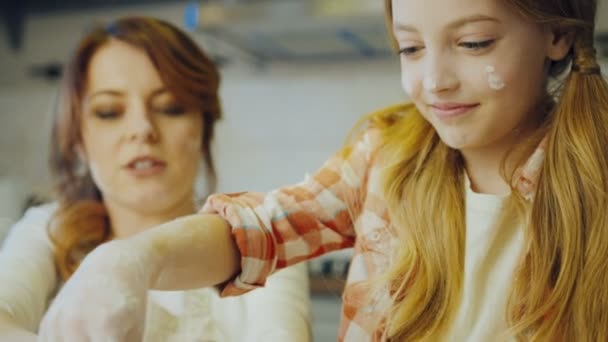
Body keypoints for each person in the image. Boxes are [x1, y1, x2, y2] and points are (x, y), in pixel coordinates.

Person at [35, 0, 608, 341]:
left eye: (474, 43)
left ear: (557, 34)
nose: (434, 81)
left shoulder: (596, 181)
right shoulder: (386, 155)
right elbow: (259, 229)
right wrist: (131, 259)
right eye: (409, 49)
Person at [0, 17, 310, 342]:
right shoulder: (47, 230)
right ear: (78, 139)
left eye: (170, 107)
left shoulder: (266, 241)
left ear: (204, 129)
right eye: (109, 112)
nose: (142, 129)